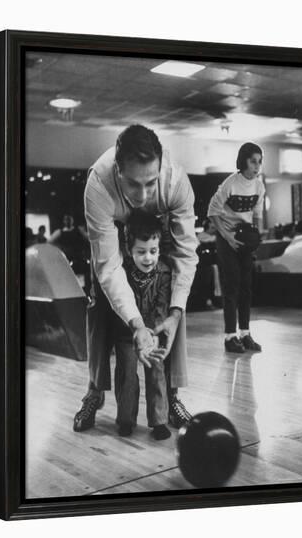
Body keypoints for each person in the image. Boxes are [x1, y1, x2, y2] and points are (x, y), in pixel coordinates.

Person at [73, 124, 198, 432]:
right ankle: (94, 391)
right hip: (117, 243)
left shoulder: (177, 182)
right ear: (118, 171)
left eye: (150, 183)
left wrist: (174, 313)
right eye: (133, 185)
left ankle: (172, 397)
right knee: (99, 302)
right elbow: (109, 268)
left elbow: (185, 254)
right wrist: (137, 325)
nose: (142, 196)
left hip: (155, 237)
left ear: (161, 169)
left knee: (173, 304)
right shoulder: (98, 185)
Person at [112, 211, 172, 440]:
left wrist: (155, 332)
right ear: (129, 251)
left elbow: (162, 305)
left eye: (153, 251)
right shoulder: (122, 272)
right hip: (127, 333)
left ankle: (159, 421)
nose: (148, 258)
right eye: (141, 252)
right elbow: (119, 304)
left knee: (156, 370)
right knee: (127, 373)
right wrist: (135, 330)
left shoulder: (164, 272)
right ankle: (126, 420)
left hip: (153, 333)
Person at [208, 142, 265, 353]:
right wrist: (227, 237)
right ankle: (230, 337)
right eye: (253, 161)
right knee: (231, 286)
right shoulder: (230, 184)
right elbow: (212, 212)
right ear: (243, 162)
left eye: (259, 162)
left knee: (246, 287)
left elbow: (257, 215)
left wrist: (256, 239)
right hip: (226, 237)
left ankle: (245, 334)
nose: (257, 166)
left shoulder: (259, 186)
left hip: (244, 237)